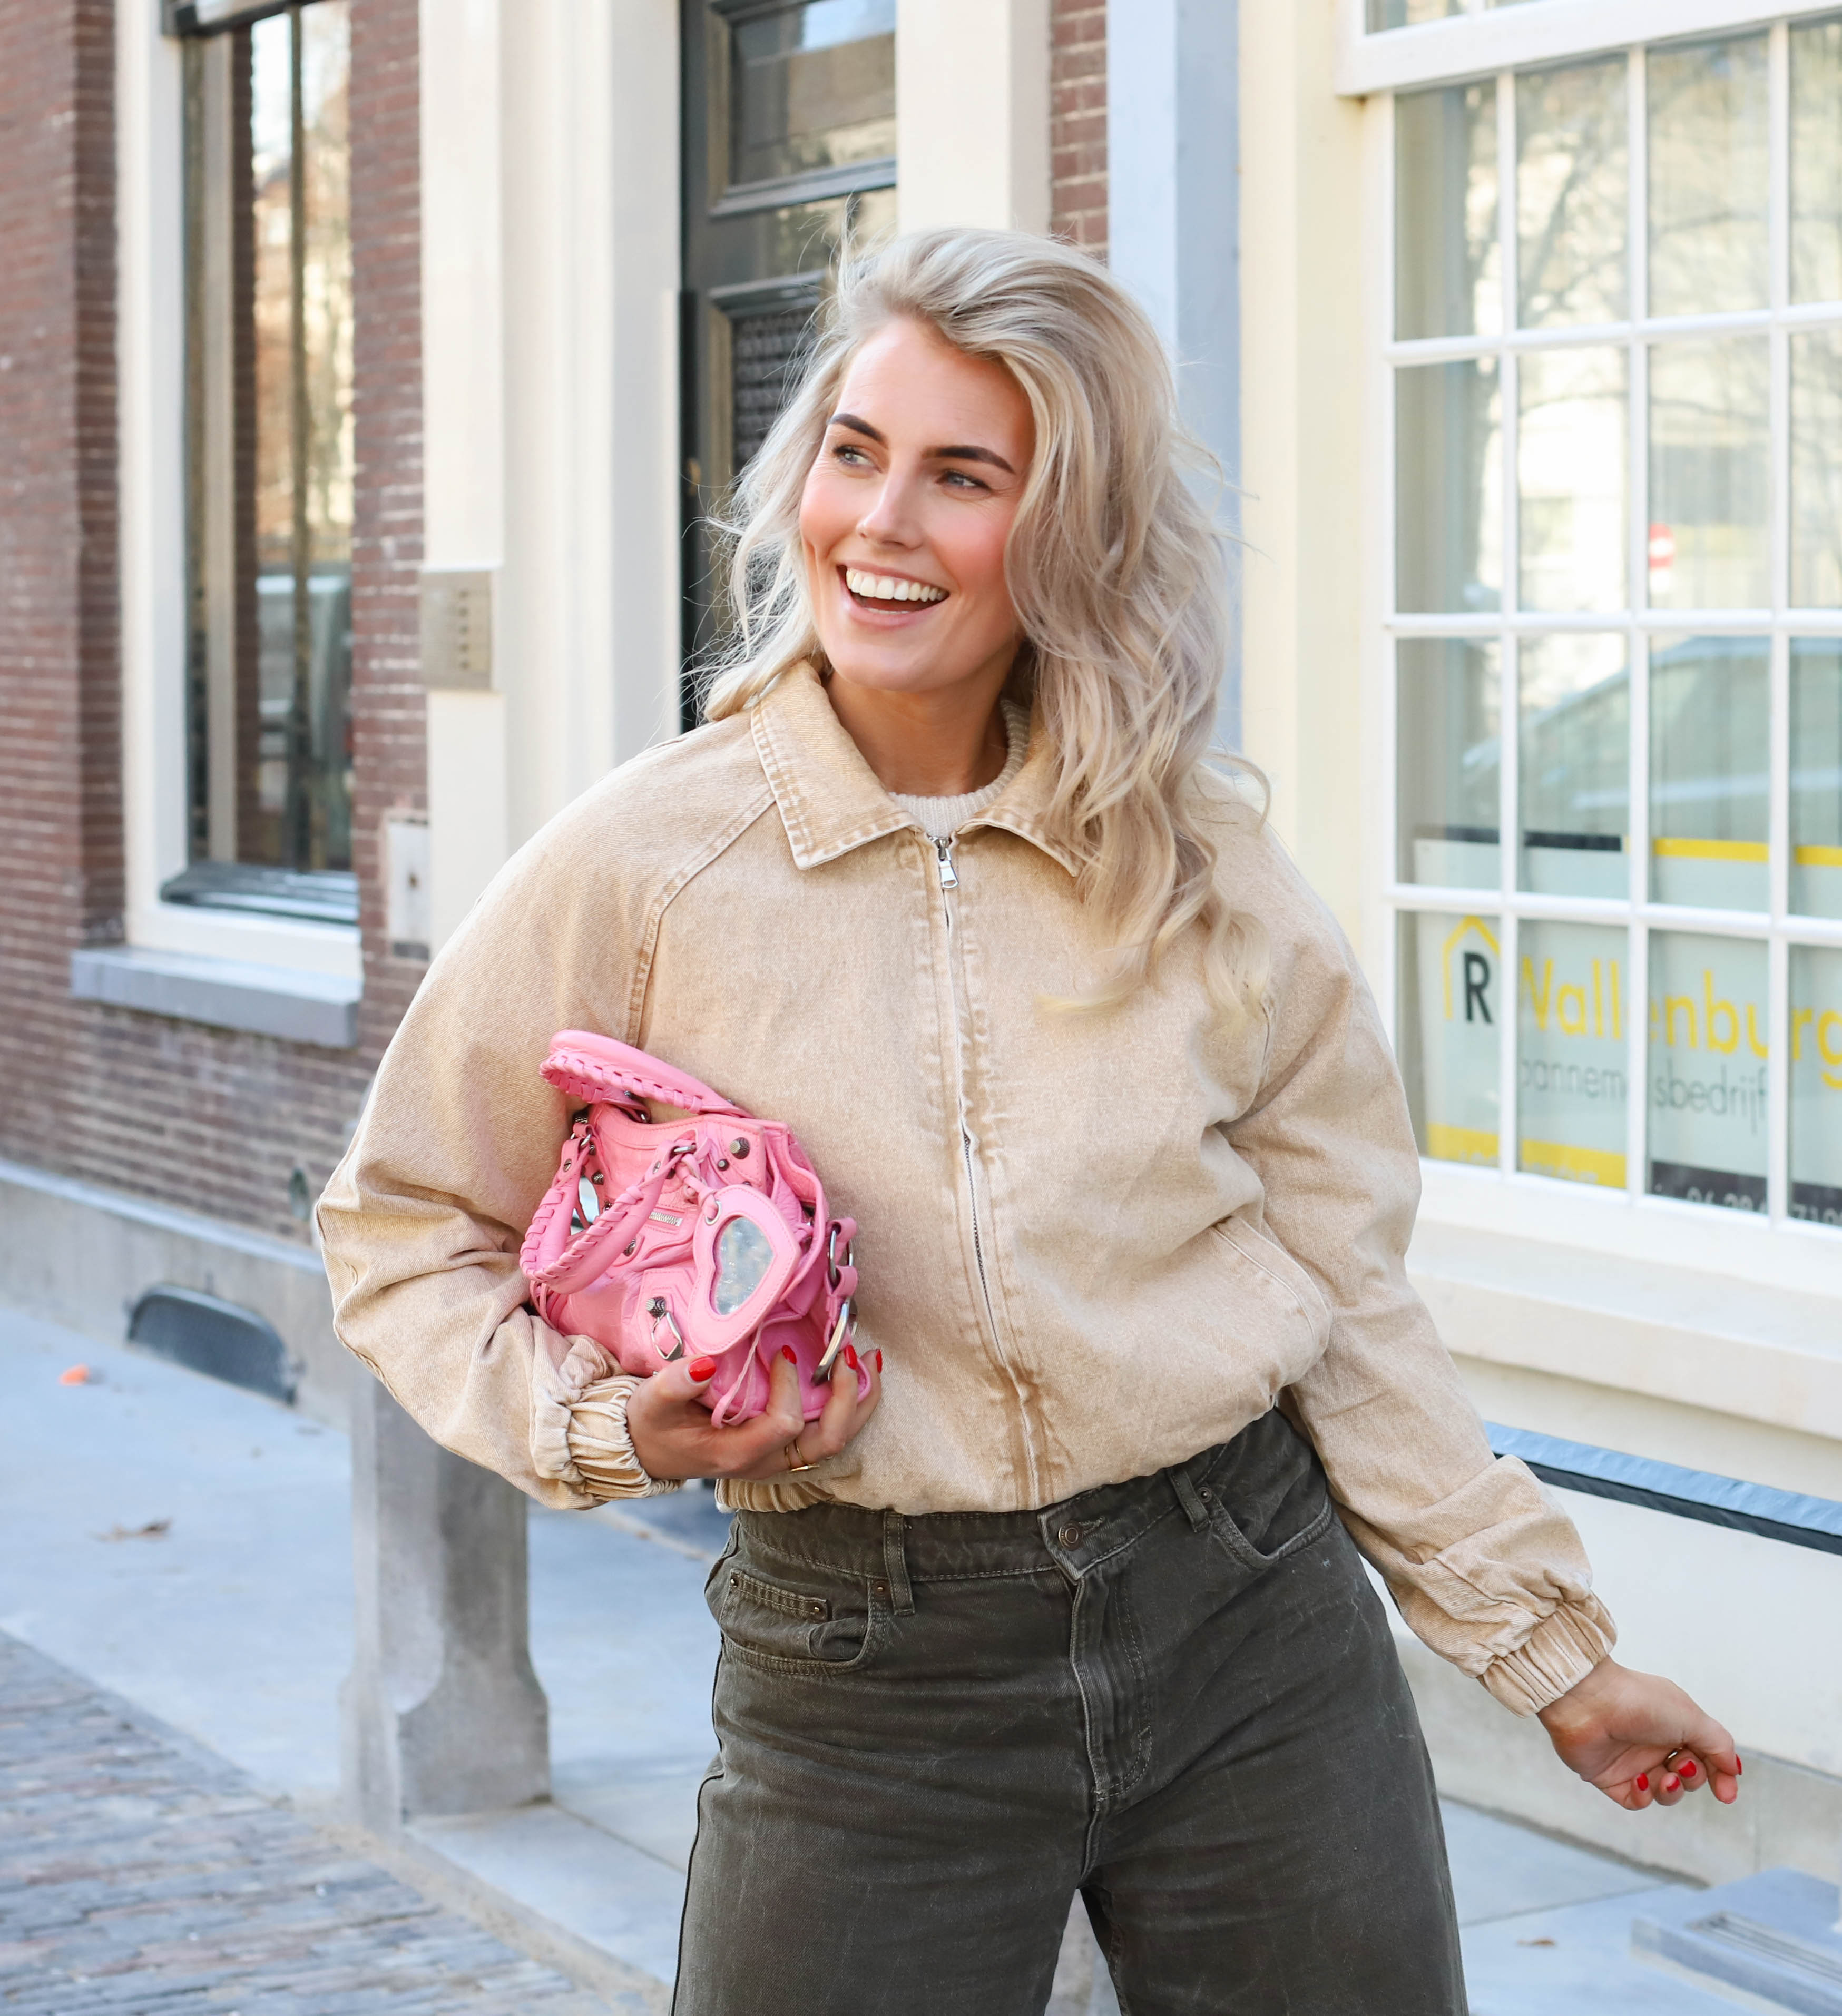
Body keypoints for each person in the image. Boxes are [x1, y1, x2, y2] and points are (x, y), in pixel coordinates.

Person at [318, 227, 1739, 2016]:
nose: (880, 520)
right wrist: (605, 1426)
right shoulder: (645, 863)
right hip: (867, 1661)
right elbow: (402, 1228)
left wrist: (1548, 1656)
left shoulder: (1196, 858)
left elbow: (1343, 1291)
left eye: (963, 476)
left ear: (1071, 531)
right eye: (854, 452)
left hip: (1250, 1621)